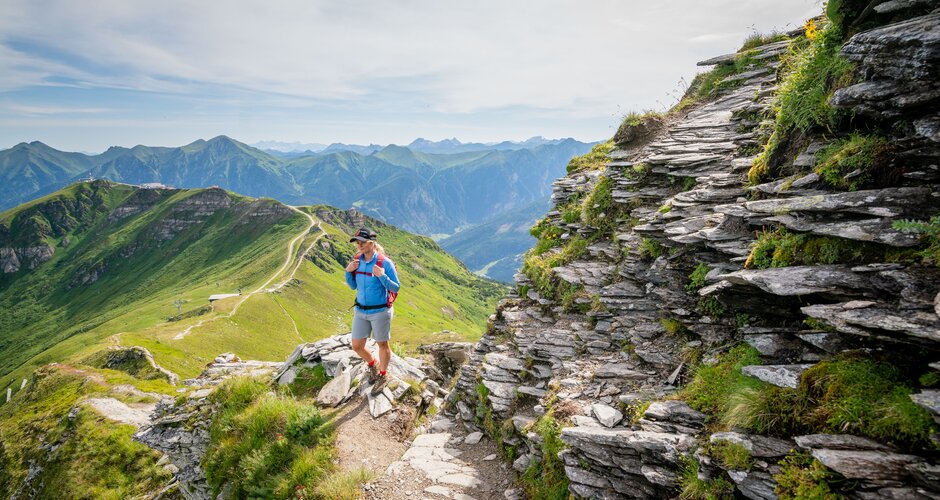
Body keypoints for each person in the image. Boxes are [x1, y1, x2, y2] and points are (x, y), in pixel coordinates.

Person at [344, 227, 400, 396]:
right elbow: (353, 286)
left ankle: (383, 375)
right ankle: (372, 364)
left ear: (371, 243)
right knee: (357, 346)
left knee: (382, 344)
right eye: (357, 242)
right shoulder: (356, 261)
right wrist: (348, 273)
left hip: (380, 311)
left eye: (362, 242)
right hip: (360, 311)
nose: (359, 245)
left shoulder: (384, 263)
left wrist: (382, 276)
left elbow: (396, 287)